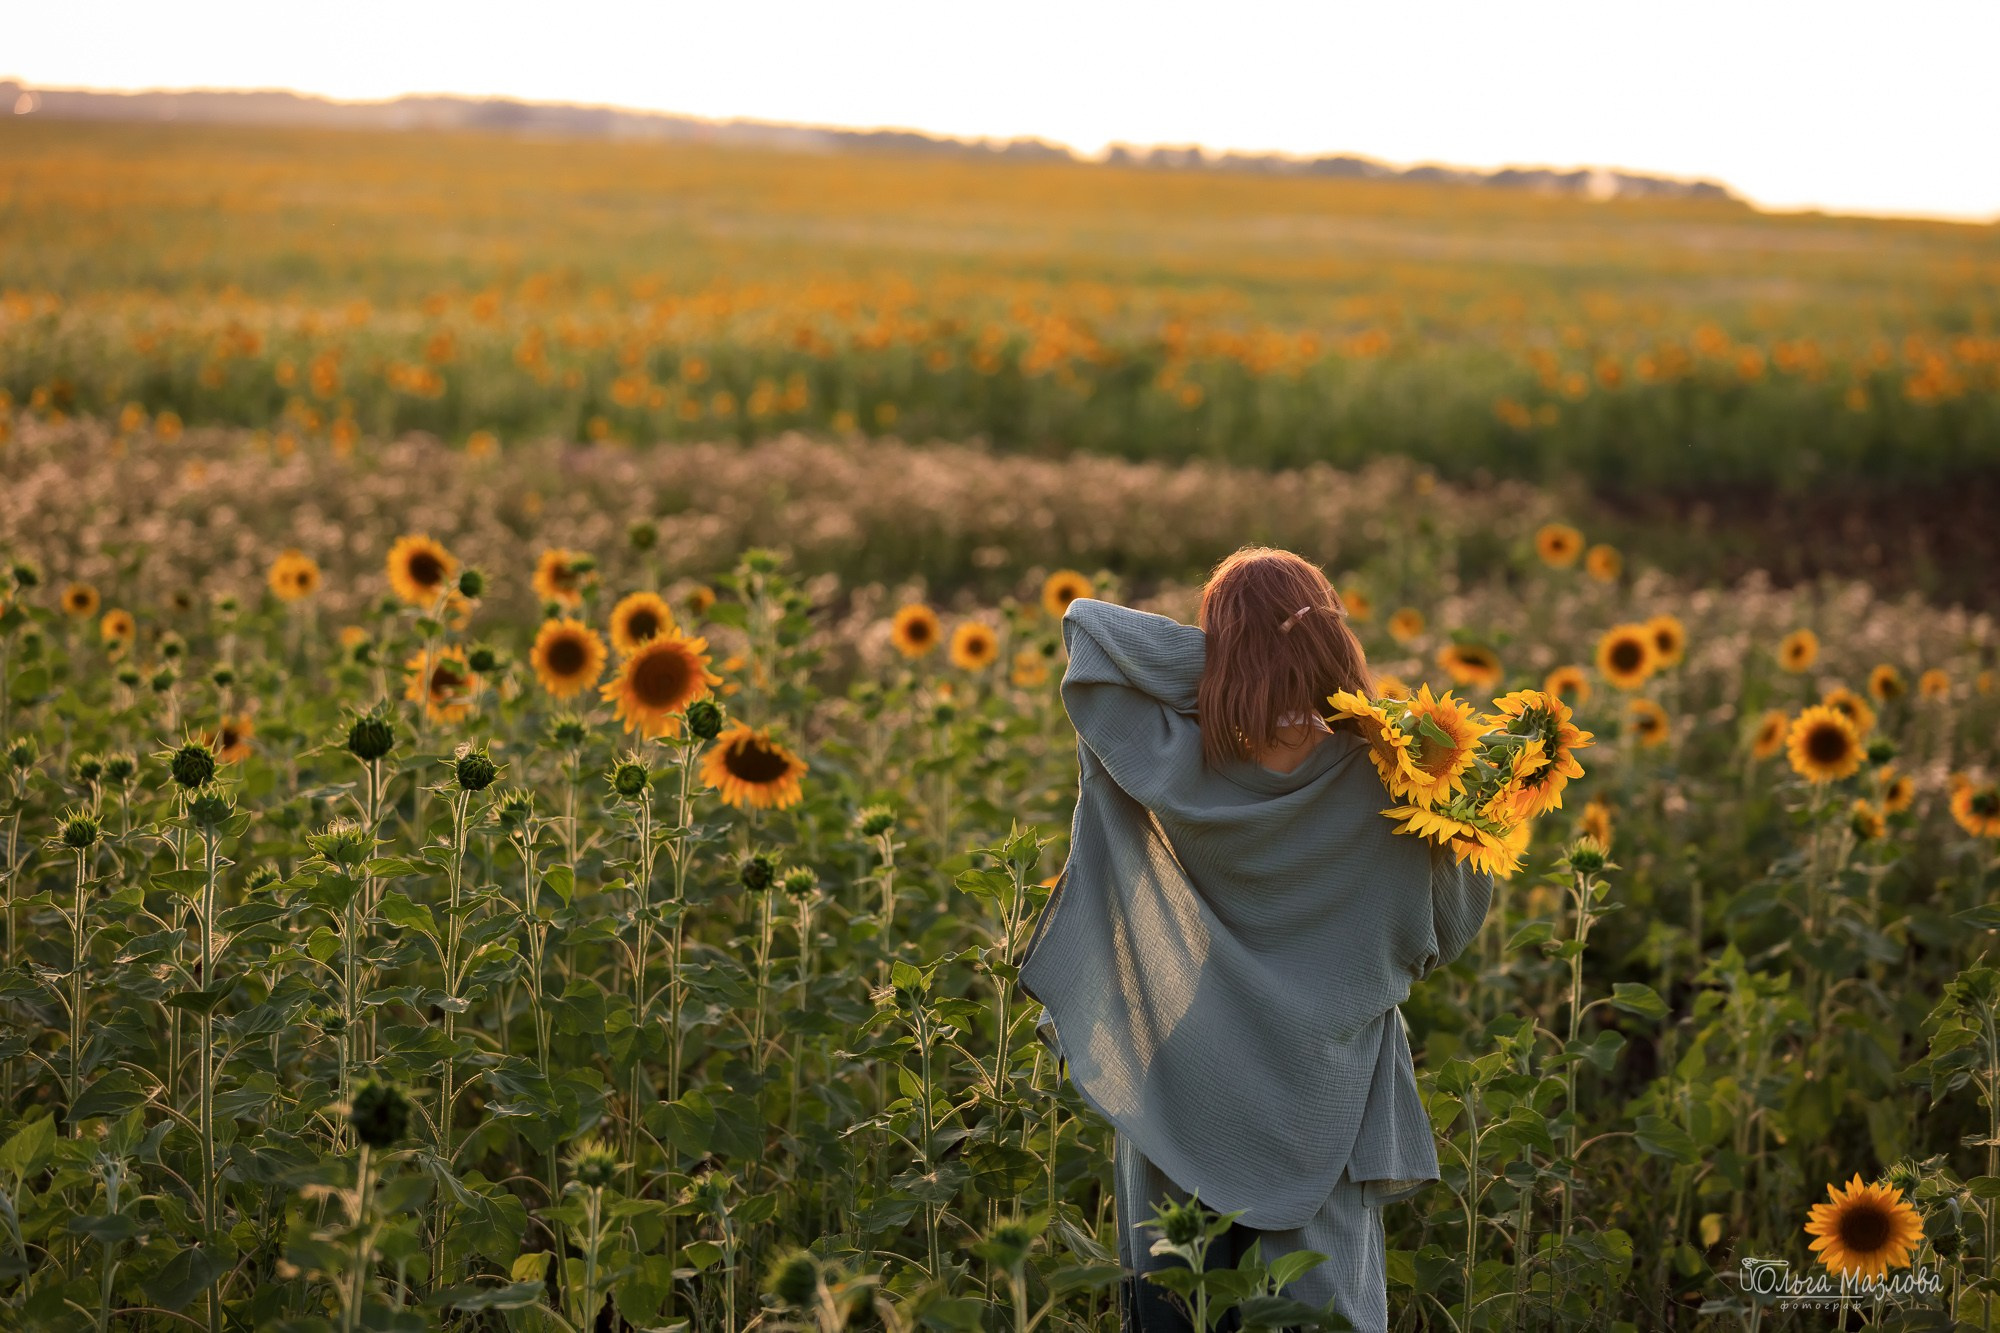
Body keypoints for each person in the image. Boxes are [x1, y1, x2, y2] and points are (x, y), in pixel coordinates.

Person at [1017, 546, 1494, 1333]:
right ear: (1336, 642)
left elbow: (1091, 633)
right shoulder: (1400, 776)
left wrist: (1234, 664)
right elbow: (1447, 928)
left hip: (1183, 1080)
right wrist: (1315, 675)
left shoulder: (1176, 759)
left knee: (1175, 1309)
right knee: (1317, 1313)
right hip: (1324, 1097)